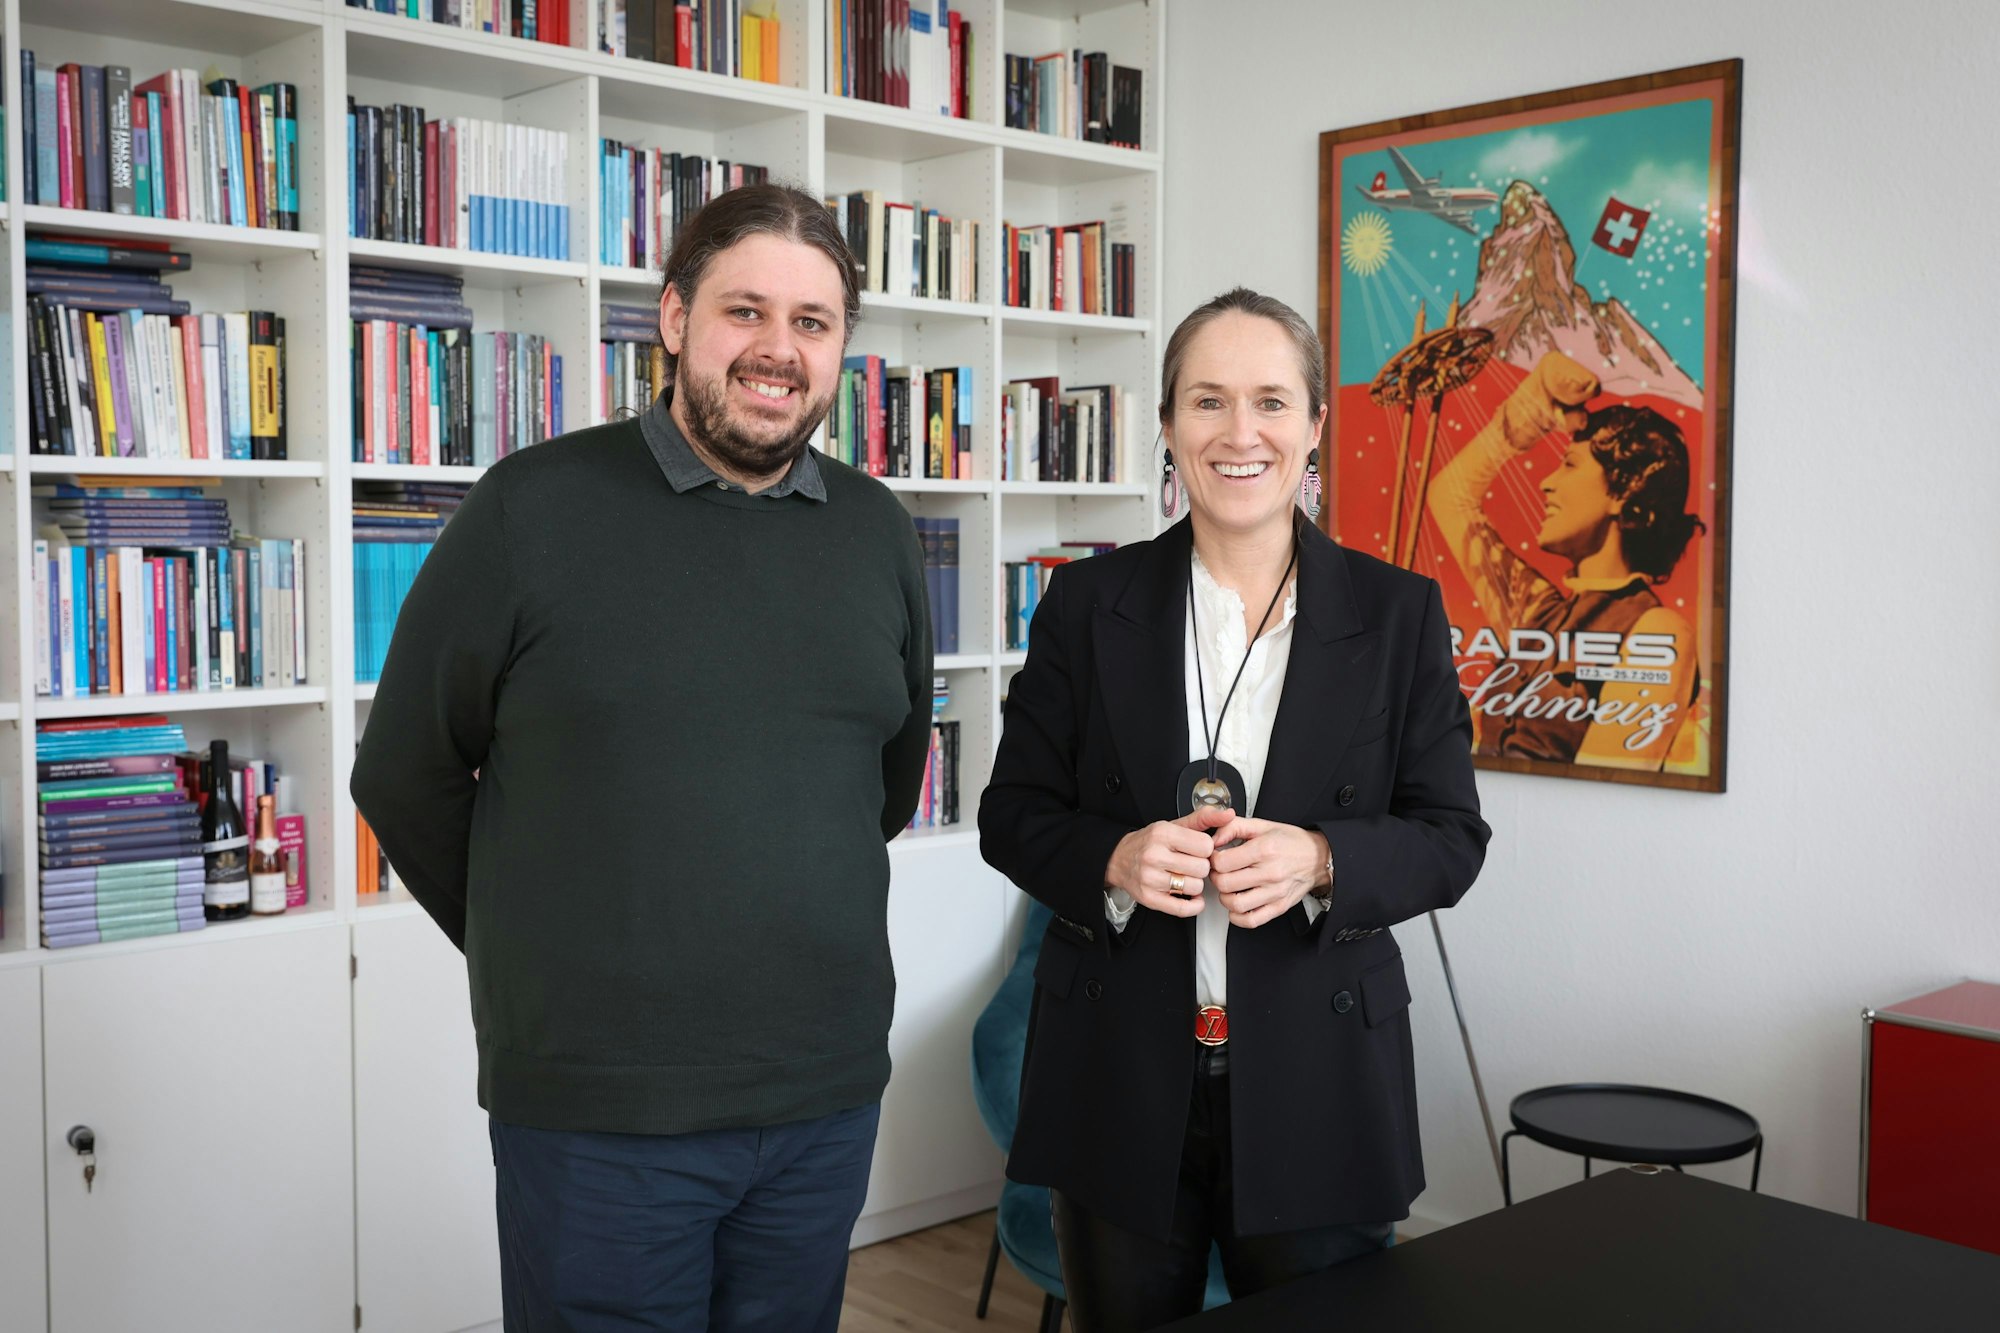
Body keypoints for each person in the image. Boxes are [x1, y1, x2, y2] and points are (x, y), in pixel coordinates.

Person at [350, 183, 934, 1333]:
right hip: (599, 1115)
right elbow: (403, 771)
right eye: (744, 311)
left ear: (841, 350)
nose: (777, 350)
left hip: (821, 1097)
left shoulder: (877, 528)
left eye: (812, 323)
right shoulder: (532, 507)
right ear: (672, 318)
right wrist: (543, 942)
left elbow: (884, 780)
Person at [979, 287, 1490, 1332]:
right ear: (1166, 427)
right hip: (1116, 1079)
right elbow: (1010, 815)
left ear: (1312, 427)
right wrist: (1113, 858)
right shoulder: (1084, 606)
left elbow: (1449, 839)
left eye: (1269, 401)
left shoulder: (1397, 615)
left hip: (1319, 1075)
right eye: (1206, 402)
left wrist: (1320, 859)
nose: (1238, 432)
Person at [1427, 350, 1706, 769]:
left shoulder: (1660, 630)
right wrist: (1532, 407)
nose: (1545, 482)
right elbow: (1451, 497)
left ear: (1623, 491)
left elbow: (1612, 783)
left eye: (1570, 466)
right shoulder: (1536, 609)